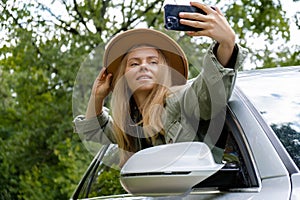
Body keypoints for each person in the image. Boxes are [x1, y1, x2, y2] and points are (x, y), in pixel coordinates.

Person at [74, 2, 248, 166]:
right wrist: (97, 97)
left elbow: (208, 96)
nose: (143, 66)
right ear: (123, 77)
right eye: (134, 63)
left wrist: (226, 44)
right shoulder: (129, 127)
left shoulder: (180, 100)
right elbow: (92, 131)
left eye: (153, 62)